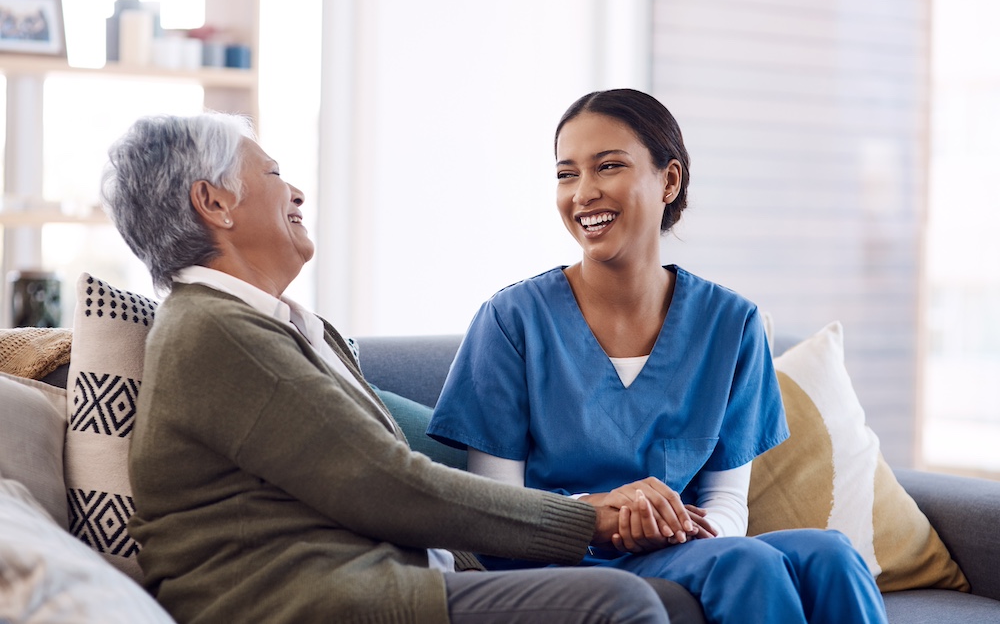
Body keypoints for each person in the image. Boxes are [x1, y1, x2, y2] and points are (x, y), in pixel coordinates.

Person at [100, 112, 685, 624]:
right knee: (614, 605)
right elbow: (385, 484)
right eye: (275, 175)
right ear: (215, 203)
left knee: (666, 596)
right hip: (299, 601)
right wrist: (585, 518)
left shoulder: (273, 327)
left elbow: (397, 463)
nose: (298, 193)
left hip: (368, 580)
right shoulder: (217, 330)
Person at [426, 89, 888, 624]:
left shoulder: (731, 324)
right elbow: (496, 509)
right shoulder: (510, 321)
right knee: (747, 564)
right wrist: (603, 516)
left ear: (669, 181)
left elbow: (726, 500)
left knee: (832, 554)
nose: (583, 192)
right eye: (566, 174)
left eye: (609, 166)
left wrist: (685, 529)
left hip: (685, 550)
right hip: (557, 561)